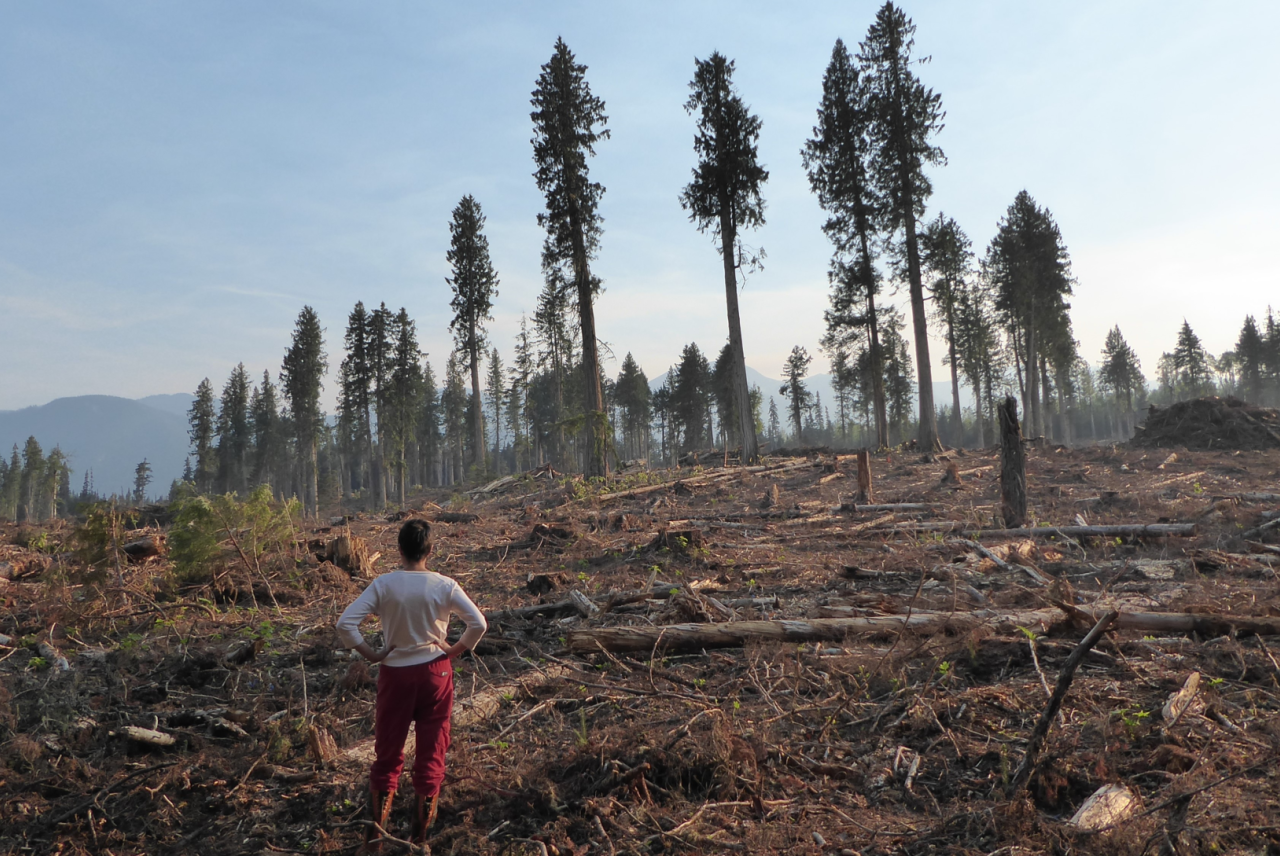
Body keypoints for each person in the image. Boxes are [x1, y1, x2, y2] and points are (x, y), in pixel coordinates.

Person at [336, 518, 487, 851]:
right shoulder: (444, 585)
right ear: (430, 550)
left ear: (399, 550)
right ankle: (419, 842)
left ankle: (374, 841)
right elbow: (478, 623)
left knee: (387, 756)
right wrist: (454, 649)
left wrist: (372, 654)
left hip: (396, 675)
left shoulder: (384, 585)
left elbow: (345, 623)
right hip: (437, 674)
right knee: (432, 756)